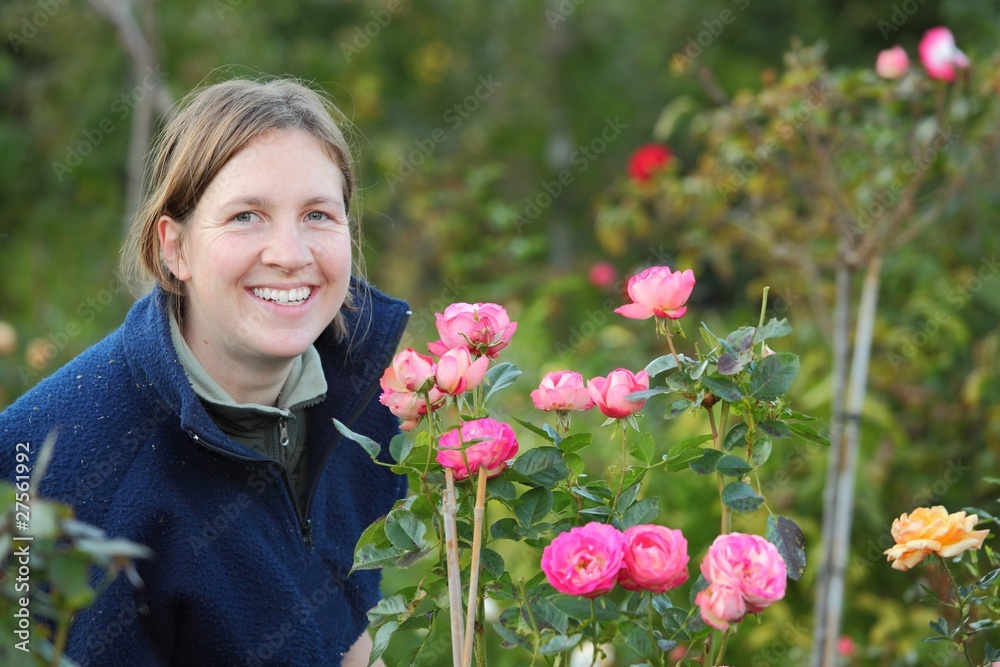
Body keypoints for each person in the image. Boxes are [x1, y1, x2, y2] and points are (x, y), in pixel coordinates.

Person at [0, 78, 410, 666]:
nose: (290, 254)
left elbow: (347, 630)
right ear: (175, 248)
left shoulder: (361, 398)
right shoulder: (61, 477)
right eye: (247, 216)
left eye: (318, 214)